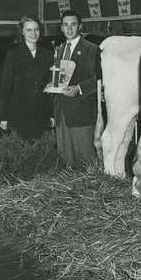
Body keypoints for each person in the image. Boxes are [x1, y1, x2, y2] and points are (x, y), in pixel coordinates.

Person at [49, 10, 99, 167]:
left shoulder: (92, 49)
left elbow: (98, 79)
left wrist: (79, 88)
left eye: (73, 24)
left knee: (85, 160)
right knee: (65, 160)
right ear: (61, 28)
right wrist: (52, 84)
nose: (69, 28)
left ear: (80, 27)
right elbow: (60, 78)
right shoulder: (59, 49)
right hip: (61, 113)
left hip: (81, 112)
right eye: (65, 25)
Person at [0, 15, 53, 139]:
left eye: (36, 29)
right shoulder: (13, 54)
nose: (33, 34)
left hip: (41, 111)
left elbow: (51, 85)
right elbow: (6, 86)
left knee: (41, 151)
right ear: (22, 32)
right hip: (19, 111)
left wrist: (52, 114)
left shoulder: (48, 54)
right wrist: (4, 117)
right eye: (29, 30)